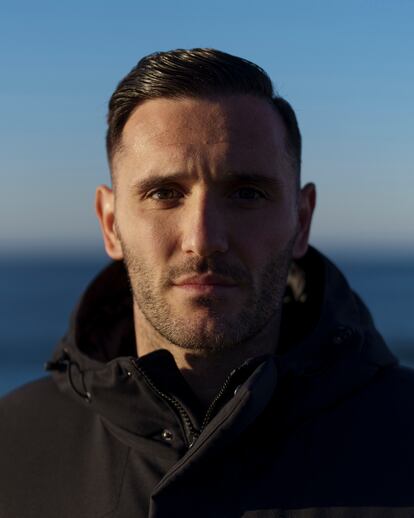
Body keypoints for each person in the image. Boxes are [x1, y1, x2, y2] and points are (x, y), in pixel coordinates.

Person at [1, 48, 413, 518]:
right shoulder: (11, 447)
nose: (204, 239)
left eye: (245, 193)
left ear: (301, 220)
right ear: (110, 222)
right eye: (164, 194)